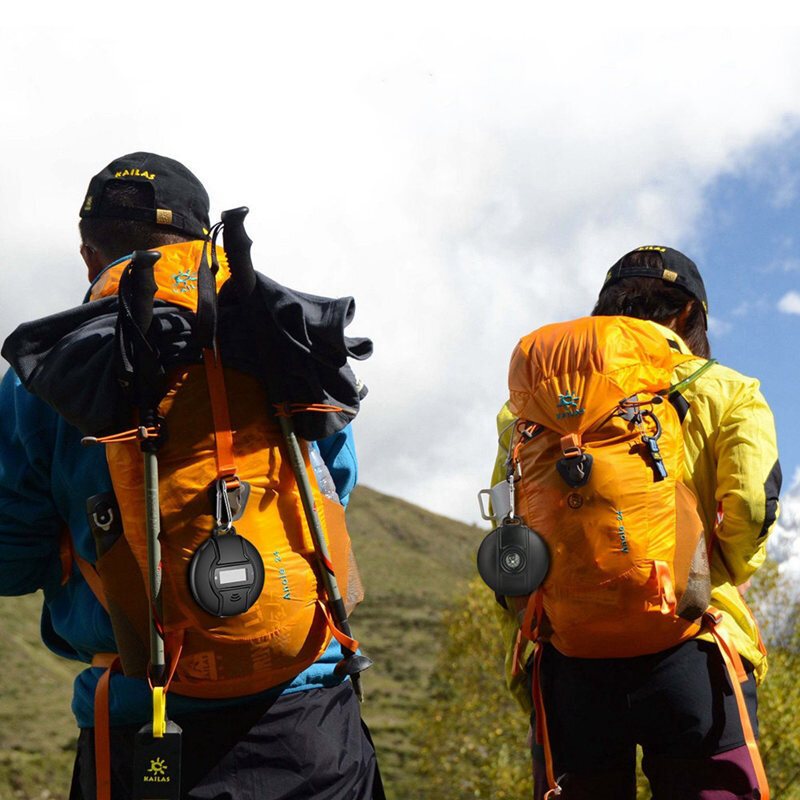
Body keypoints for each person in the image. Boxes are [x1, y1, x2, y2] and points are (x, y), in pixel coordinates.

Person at [0, 152, 383, 800]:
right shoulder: (280, 336)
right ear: (205, 244)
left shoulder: (40, 384)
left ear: (90, 257)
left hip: (138, 727)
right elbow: (332, 489)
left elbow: (8, 563)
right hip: (309, 723)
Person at [491, 246, 781, 799]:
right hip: (696, 641)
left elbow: (509, 529)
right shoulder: (726, 389)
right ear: (688, 317)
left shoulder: (525, 408)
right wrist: (723, 568)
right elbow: (751, 502)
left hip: (569, 658)